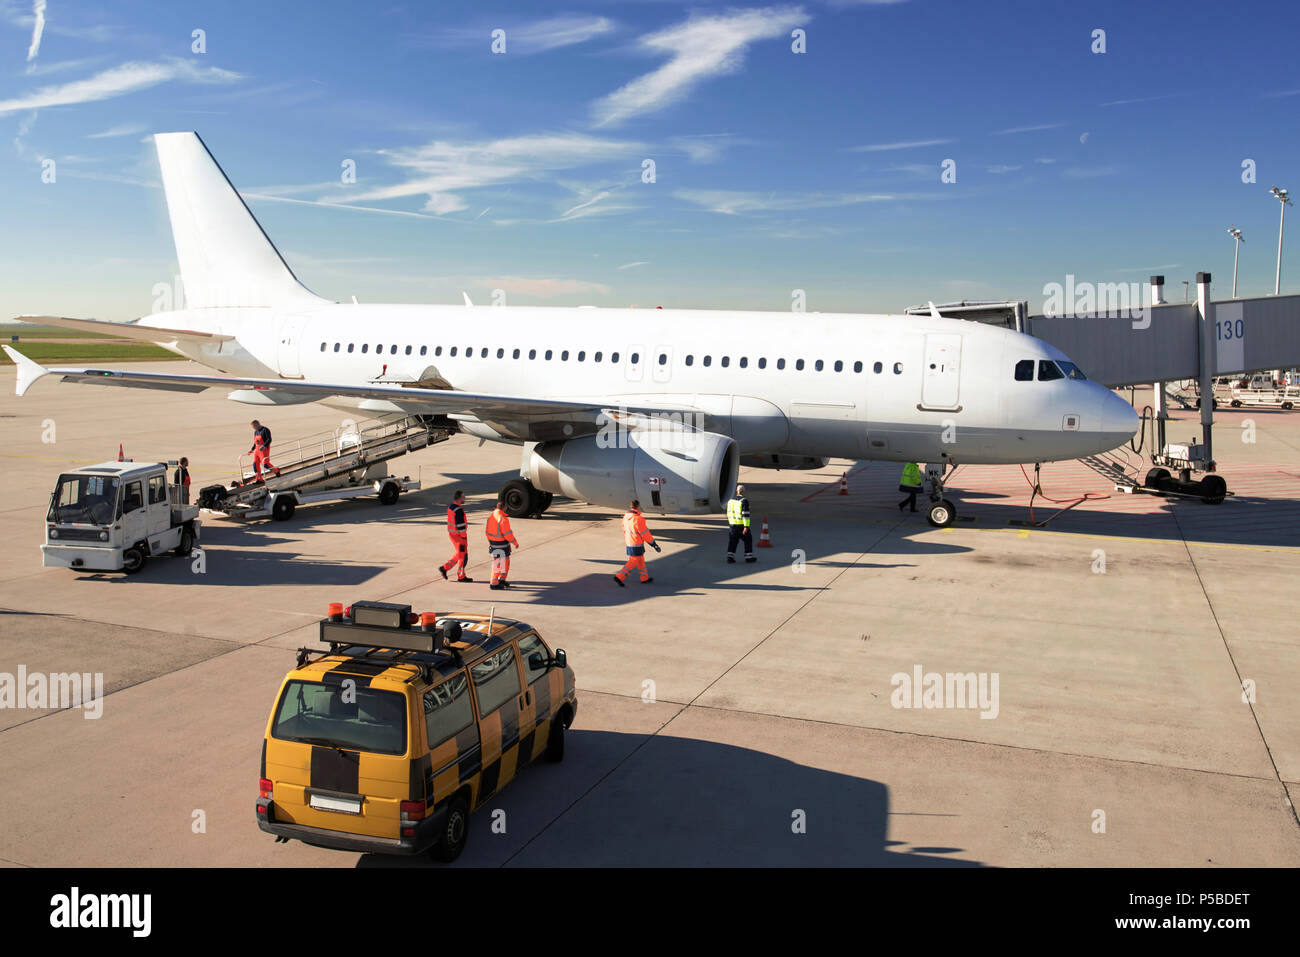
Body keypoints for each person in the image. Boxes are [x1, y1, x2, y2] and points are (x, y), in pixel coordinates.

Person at [614, 500, 660, 587]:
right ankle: (619, 577)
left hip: (629, 541)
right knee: (633, 561)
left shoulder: (626, 516)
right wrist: (653, 544)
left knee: (640, 560)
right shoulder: (638, 519)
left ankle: (644, 578)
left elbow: (624, 529)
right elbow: (645, 534)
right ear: (638, 507)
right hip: (636, 543)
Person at [485, 497, 520, 590]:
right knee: (500, 563)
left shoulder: (491, 516)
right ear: (504, 507)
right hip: (502, 544)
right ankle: (494, 583)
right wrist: (515, 543)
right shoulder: (503, 519)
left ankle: (501, 580)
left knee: (501, 562)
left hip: (494, 544)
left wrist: (490, 543)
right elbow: (507, 534)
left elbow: (487, 532)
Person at [439, 490, 473, 583]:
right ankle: (461, 576)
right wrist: (464, 537)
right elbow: (461, 526)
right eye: (463, 497)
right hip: (459, 536)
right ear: (459, 498)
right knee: (462, 556)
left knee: (459, 554)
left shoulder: (451, 507)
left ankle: (444, 568)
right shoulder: (458, 510)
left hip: (452, 535)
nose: (464, 498)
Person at [726, 484, 755, 563]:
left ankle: (730, 557)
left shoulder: (730, 500)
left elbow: (728, 513)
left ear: (736, 491)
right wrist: (746, 526)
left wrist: (730, 523)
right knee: (748, 540)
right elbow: (745, 514)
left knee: (733, 541)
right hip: (741, 525)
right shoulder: (744, 501)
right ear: (743, 492)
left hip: (732, 525)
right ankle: (748, 557)